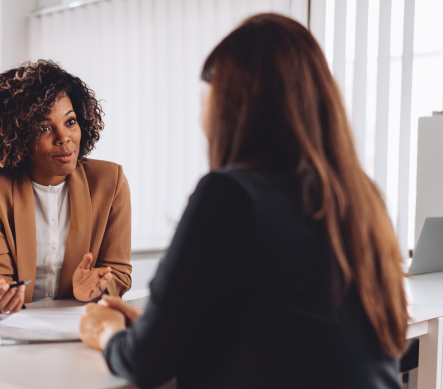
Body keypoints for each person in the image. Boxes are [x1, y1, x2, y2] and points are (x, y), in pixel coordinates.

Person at [79, 13, 407, 389]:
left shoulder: (231, 196)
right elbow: (281, 330)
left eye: (206, 90)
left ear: (231, 101)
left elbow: (145, 363)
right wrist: (155, 328)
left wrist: (107, 333)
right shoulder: (362, 196)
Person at [0, 60, 132, 314]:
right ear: (16, 136)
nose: (63, 137)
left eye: (70, 122)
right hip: (14, 327)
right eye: (44, 127)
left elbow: (118, 272)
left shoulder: (110, 182)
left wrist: (98, 287)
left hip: (77, 328)